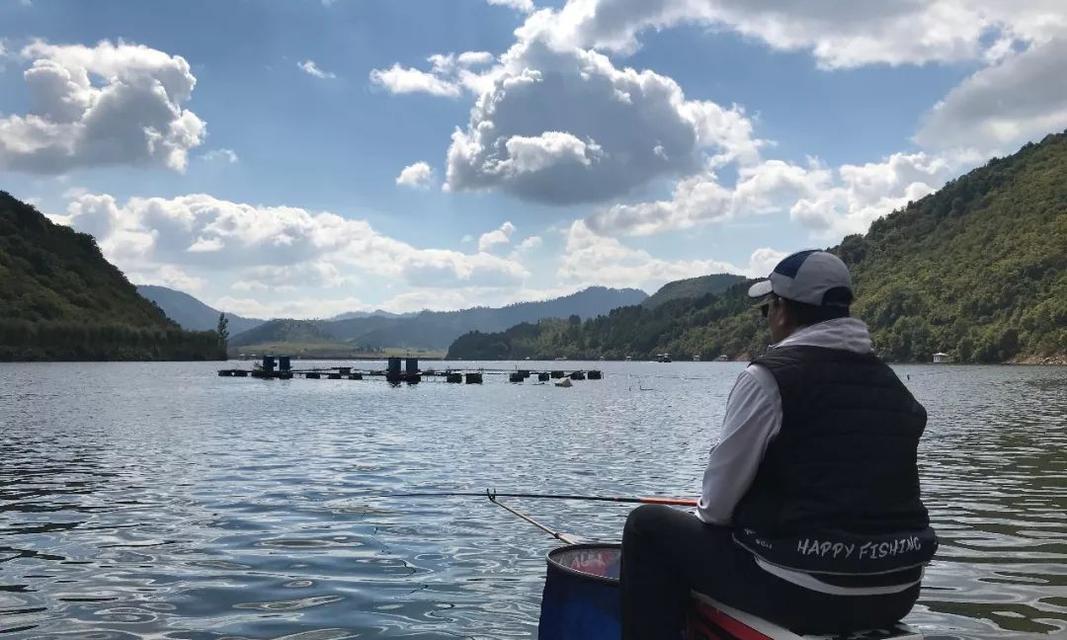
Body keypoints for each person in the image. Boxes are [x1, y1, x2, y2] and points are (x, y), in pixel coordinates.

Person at [619, 249, 937, 638]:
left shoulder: (769, 379)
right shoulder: (890, 384)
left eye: (766, 309)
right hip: (898, 590)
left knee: (646, 527)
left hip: (806, 594)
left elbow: (716, 509)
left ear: (783, 310)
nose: (767, 319)